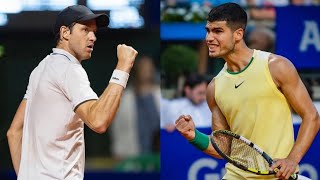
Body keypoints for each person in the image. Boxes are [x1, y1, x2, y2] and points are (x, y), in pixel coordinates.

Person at [175, 3, 320, 180]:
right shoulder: (214, 88)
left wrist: (291, 160)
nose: (209, 38)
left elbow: (311, 116)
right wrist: (193, 135)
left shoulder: (276, 67)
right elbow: (224, 148)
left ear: (238, 34)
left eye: (218, 31)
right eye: (208, 30)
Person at [6, 5, 138, 180]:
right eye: (85, 30)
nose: (93, 37)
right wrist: (123, 67)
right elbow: (98, 121)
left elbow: (14, 132)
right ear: (65, 33)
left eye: (94, 31)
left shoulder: (42, 68)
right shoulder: (69, 69)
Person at [111, 55, 160, 159]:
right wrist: (118, 150)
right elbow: (117, 127)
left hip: (158, 155)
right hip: (132, 155)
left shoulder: (159, 95)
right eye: (143, 68)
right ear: (136, 71)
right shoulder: (124, 98)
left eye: (149, 68)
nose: (146, 72)